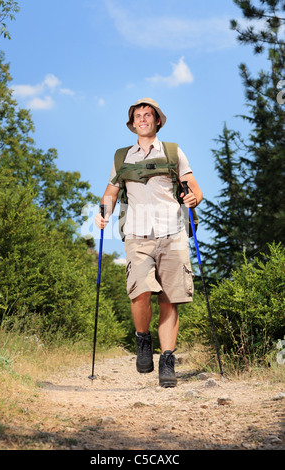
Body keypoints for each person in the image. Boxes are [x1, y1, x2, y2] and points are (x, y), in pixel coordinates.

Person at [95, 98, 202, 387]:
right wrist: (103, 213)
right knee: (139, 292)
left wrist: (193, 198)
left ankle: (167, 360)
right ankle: (143, 339)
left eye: (147, 115)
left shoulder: (173, 152)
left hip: (173, 233)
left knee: (170, 298)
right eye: (137, 116)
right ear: (132, 124)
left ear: (157, 121)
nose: (142, 119)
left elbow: (195, 190)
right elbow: (111, 192)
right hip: (137, 234)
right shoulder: (122, 157)